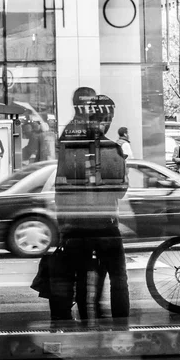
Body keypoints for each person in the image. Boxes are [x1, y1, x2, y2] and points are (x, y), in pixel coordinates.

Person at [50, 88, 130, 322]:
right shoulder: (112, 149)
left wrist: (62, 223)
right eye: (109, 119)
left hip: (76, 224)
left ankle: (86, 323)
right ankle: (120, 327)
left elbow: (60, 187)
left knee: (83, 279)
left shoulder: (70, 144)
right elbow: (121, 190)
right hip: (106, 224)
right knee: (118, 279)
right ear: (104, 119)